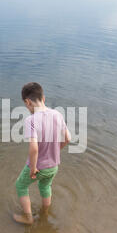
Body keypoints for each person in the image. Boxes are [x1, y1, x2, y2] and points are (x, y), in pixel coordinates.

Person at [13, 82, 71, 225]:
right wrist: (56, 151)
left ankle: (28, 217)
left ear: (27, 102)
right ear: (43, 98)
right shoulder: (57, 114)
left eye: (26, 105)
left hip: (39, 166)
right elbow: (68, 138)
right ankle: (45, 212)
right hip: (54, 165)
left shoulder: (31, 120)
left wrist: (33, 168)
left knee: (20, 185)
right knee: (45, 186)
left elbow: (34, 148)